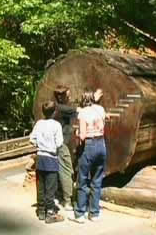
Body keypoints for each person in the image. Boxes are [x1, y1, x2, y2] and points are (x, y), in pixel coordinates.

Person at [71, 89, 107, 223]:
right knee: (97, 180)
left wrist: (76, 132)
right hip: (101, 144)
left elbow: (82, 135)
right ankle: (94, 213)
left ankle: (80, 213)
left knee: (83, 180)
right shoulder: (101, 109)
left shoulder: (83, 113)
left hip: (89, 145)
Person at [29, 101, 65, 224]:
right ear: (55, 112)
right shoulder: (56, 125)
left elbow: (31, 139)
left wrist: (39, 144)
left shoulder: (39, 123)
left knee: (41, 186)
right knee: (51, 187)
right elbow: (59, 143)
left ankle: (41, 210)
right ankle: (50, 212)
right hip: (51, 158)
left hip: (40, 157)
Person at [53, 85, 80, 211]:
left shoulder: (54, 106)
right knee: (66, 171)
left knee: (60, 169)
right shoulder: (63, 108)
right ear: (62, 96)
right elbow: (77, 111)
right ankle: (67, 201)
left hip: (57, 143)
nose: (70, 97)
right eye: (68, 95)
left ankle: (57, 195)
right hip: (62, 144)